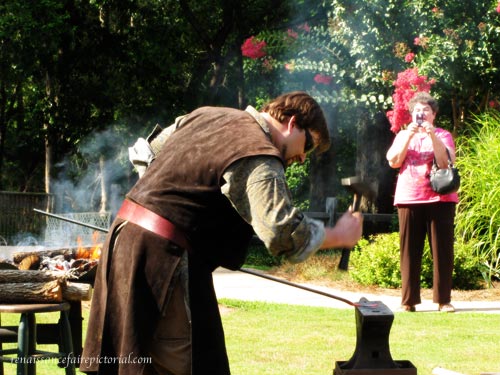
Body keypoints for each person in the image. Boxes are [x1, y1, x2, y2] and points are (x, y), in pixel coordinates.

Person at [80, 91, 363, 375]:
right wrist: (337, 235)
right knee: (184, 365)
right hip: (163, 259)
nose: (303, 158)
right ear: (291, 122)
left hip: (124, 240)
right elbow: (280, 230)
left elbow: (146, 153)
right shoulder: (259, 152)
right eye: (308, 144)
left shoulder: (206, 114)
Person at [386, 91, 458, 313]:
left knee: (442, 251)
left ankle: (443, 300)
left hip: (440, 198)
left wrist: (431, 135)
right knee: (409, 251)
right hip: (409, 198)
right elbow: (393, 162)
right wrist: (409, 136)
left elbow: (445, 163)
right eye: (417, 110)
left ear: (433, 114)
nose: (421, 113)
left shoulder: (443, 134)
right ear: (411, 114)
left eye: (426, 110)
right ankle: (408, 301)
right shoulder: (402, 135)